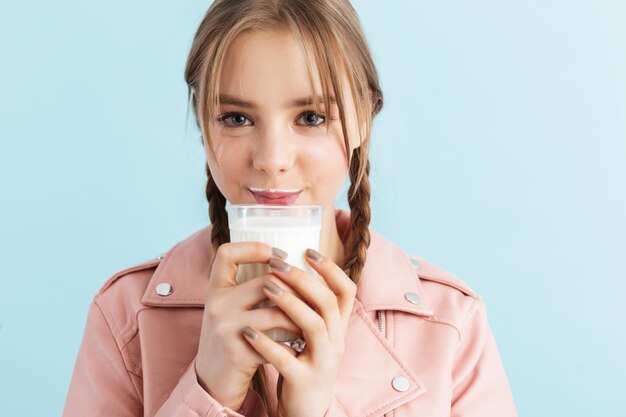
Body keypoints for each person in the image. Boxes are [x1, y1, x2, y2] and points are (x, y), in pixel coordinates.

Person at [63, 0, 518, 416]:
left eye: (311, 117)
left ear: (364, 117)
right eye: (237, 119)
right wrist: (208, 392)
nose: (272, 159)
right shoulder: (125, 317)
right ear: (204, 124)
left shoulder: (450, 325)